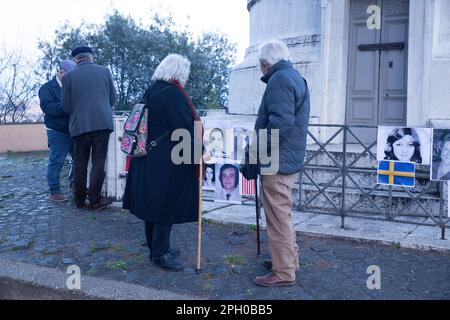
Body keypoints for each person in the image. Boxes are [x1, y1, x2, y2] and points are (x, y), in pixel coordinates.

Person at [123, 54, 208, 272]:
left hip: (148, 157)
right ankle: (159, 253)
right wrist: (201, 153)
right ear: (180, 73)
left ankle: (157, 246)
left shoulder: (152, 90)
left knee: (153, 204)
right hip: (166, 161)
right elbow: (183, 129)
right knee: (164, 205)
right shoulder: (172, 94)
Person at [252, 40, 310, 287]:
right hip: (286, 157)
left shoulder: (279, 80)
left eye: (260, 66)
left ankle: (284, 271)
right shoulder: (295, 77)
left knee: (277, 216)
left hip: (277, 159)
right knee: (282, 213)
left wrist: (255, 154)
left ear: (265, 64)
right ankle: (287, 260)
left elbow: (279, 125)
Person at [62, 46, 116, 210]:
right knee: (98, 162)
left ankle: (79, 200)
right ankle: (95, 200)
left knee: (80, 163)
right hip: (102, 124)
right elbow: (112, 99)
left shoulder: (68, 77)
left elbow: (65, 107)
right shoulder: (105, 72)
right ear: (91, 57)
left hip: (80, 126)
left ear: (75, 60)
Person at [38, 60, 76, 202]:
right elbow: (48, 108)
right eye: (69, 75)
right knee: (57, 161)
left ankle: (75, 184)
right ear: (60, 72)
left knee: (79, 159)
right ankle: (54, 191)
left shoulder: (72, 86)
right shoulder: (46, 88)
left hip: (74, 129)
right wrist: (68, 106)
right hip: (58, 131)